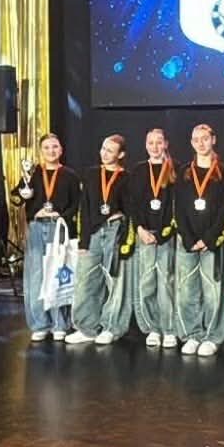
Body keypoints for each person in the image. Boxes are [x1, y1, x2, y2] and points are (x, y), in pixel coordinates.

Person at [65, 135, 134, 345]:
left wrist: (125, 236)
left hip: (115, 230)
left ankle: (112, 327)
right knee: (85, 280)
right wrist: (83, 241)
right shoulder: (91, 174)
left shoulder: (127, 178)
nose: (104, 153)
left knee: (115, 281)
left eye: (110, 150)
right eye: (103, 148)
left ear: (121, 154)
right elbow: (84, 207)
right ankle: (87, 328)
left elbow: (131, 209)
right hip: (93, 232)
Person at [174, 124, 224, 357]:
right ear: (191, 143)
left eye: (205, 138)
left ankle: (212, 336)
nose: (201, 143)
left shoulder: (223, 173)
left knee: (213, 291)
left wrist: (209, 239)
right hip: (187, 241)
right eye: (196, 139)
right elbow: (178, 208)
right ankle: (192, 334)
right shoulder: (184, 172)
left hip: (212, 241)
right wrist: (188, 238)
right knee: (187, 291)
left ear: (213, 140)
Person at [17, 133, 82, 342]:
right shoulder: (33, 173)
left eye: (55, 147)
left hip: (59, 227)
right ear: (41, 151)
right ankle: (39, 324)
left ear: (61, 150)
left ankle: (60, 323)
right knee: (36, 275)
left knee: (59, 274)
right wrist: (22, 193)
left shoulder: (70, 175)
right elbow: (17, 197)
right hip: (37, 226)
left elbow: (77, 204)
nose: (51, 151)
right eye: (46, 147)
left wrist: (61, 216)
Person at [129, 129, 178, 348]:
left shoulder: (175, 169)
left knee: (167, 283)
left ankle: (169, 328)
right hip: (144, 234)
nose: (155, 147)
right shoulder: (139, 170)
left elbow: (177, 204)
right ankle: (152, 328)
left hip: (167, 235)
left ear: (166, 144)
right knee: (146, 282)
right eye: (151, 143)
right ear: (145, 145)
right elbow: (133, 203)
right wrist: (139, 228)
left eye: (159, 142)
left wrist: (166, 232)